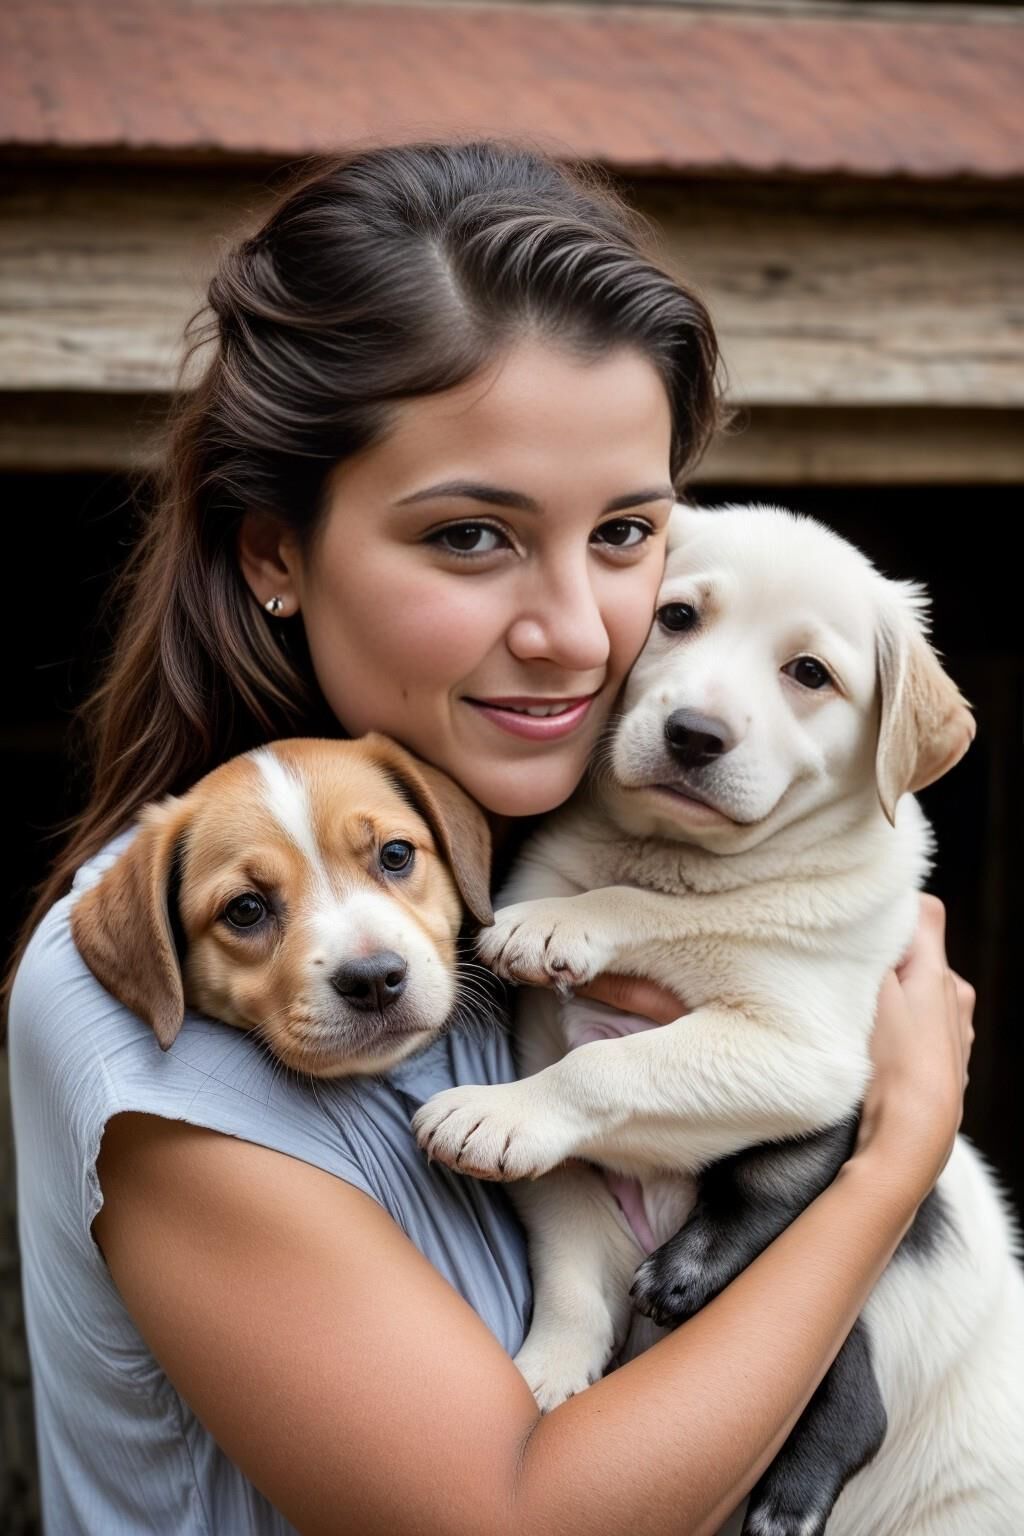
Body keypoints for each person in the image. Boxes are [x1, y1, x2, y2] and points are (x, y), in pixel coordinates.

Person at [5, 141, 973, 1536]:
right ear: (271, 550)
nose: (577, 632)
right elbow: (511, 1520)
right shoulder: (169, 1006)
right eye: (471, 537)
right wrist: (893, 1158)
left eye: (629, 533)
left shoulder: (503, 881)